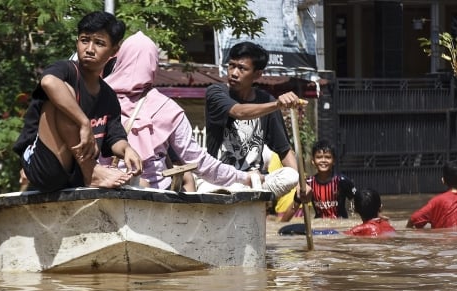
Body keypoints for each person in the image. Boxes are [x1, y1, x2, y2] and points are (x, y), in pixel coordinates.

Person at [101, 31, 259, 190]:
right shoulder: (166, 109)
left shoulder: (97, 97)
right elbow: (198, 161)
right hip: (152, 201)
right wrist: (243, 177)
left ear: (120, 59)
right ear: (153, 65)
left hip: (98, 191)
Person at [12, 11, 142, 192]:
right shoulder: (66, 70)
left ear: (114, 51)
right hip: (45, 165)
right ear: (77, 42)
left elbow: (114, 138)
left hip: (74, 174)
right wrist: (84, 123)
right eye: (84, 40)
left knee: (140, 184)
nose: (89, 49)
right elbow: (48, 82)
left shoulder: (108, 96)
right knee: (64, 91)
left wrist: (127, 149)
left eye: (99, 43)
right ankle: (91, 171)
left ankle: (90, 172)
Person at [205, 41, 303, 198]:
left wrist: (300, 186)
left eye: (242, 68)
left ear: (257, 74)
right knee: (206, 185)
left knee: (291, 175)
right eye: (231, 65)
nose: (234, 73)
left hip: (255, 181)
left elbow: (284, 150)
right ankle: (243, 193)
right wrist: (277, 104)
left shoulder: (266, 101)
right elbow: (239, 112)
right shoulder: (216, 93)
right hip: (219, 179)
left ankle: (247, 192)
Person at [305, 140, 356, 218]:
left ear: (334, 161)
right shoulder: (308, 183)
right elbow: (295, 205)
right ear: (313, 161)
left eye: (328, 157)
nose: (323, 160)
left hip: (340, 225)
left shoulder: (342, 181)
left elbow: (357, 200)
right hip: (318, 226)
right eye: (319, 157)